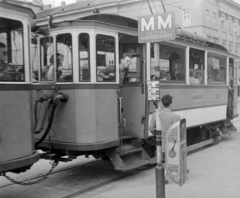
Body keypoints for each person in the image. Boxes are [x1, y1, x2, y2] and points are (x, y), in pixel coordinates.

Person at [149, 94, 181, 159]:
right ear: (171, 103)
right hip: (173, 148)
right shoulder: (176, 116)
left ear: (162, 103)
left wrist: (158, 134)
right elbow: (179, 133)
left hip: (160, 147)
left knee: (161, 163)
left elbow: (151, 129)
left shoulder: (155, 115)